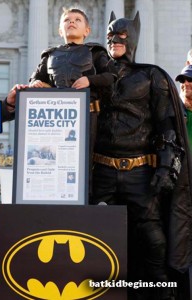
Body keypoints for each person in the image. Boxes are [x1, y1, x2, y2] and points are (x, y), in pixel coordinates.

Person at [91, 11, 192, 300]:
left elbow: (167, 126)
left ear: (133, 37)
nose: (115, 40)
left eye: (122, 35)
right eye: (110, 36)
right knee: (97, 236)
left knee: (153, 240)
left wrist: (164, 168)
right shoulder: (94, 76)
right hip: (103, 171)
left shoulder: (152, 75)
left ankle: (162, 294)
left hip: (140, 173)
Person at [29, 7, 115, 194]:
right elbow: (35, 80)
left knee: (86, 164)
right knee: (54, 163)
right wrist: (36, 83)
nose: (72, 22)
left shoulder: (95, 53)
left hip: (88, 117)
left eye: (77, 20)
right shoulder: (50, 56)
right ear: (60, 30)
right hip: (56, 120)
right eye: (67, 20)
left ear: (87, 30)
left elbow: (111, 77)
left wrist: (89, 80)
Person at [175, 64, 192, 150]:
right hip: (183, 162)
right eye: (182, 80)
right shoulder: (175, 111)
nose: (185, 83)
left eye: (190, 80)